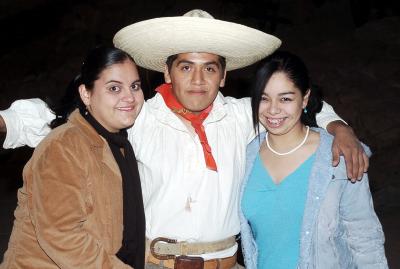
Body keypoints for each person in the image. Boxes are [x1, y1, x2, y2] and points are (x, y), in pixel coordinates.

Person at [0, 10, 368, 269]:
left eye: (209, 68)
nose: (197, 80)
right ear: (167, 70)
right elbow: (57, 119)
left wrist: (339, 127)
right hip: (155, 262)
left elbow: (293, 104)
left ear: (223, 76)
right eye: (185, 67)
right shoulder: (137, 114)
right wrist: (6, 122)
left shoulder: (243, 116)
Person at [0, 46, 146, 269]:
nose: (129, 97)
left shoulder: (119, 144)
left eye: (134, 86)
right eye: (114, 88)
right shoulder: (64, 147)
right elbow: (62, 235)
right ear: (86, 94)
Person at [240, 51, 388, 269]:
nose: (273, 109)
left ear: (305, 98)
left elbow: (365, 239)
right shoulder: (247, 155)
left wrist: (340, 127)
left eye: (286, 98)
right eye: (264, 98)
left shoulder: (338, 155)